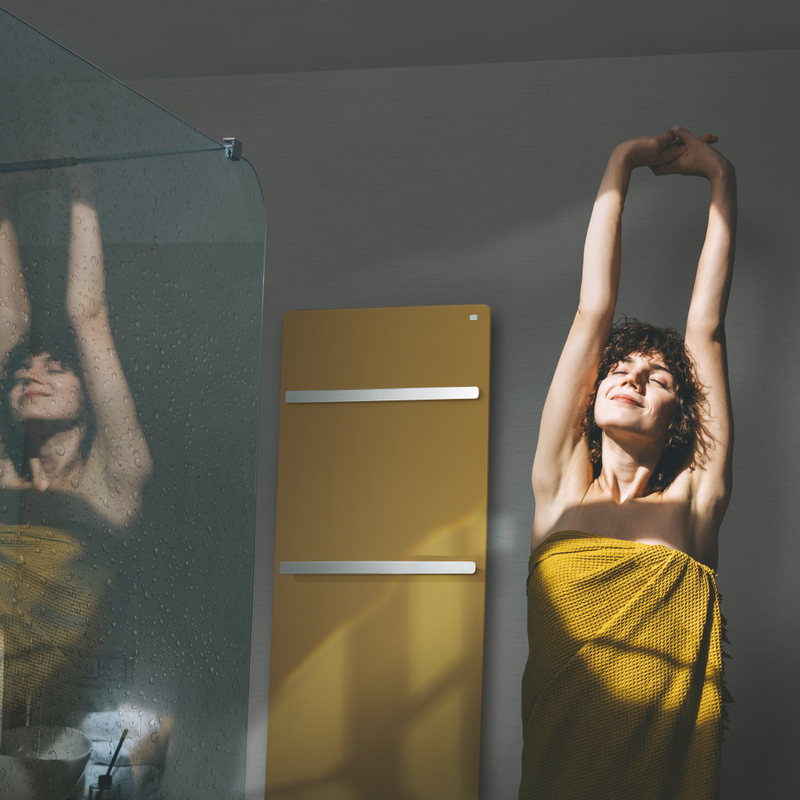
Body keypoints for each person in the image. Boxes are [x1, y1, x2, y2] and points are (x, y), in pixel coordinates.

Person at [520, 127, 736, 799]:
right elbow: (593, 310)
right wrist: (621, 163)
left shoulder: (694, 503)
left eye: (658, 377)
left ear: (680, 418)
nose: (631, 377)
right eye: (619, 367)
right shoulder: (559, 489)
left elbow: (705, 331)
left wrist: (721, 179)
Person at [0, 165, 152, 730]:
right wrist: (2, 199)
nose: (31, 374)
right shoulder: (4, 472)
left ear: (91, 400)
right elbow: (6, 325)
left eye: (56, 367)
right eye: (23, 369)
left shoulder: (112, 481)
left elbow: (88, 318)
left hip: (55, 719)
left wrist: (81, 184)